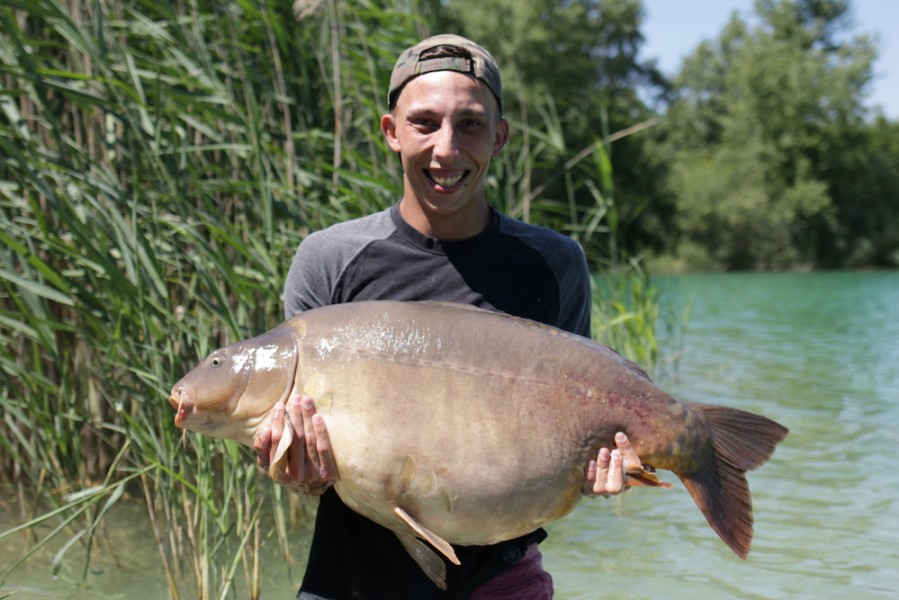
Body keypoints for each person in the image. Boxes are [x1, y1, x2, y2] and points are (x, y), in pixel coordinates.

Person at [254, 34, 645, 599]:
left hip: (502, 577)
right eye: (424, 123)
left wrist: (602, 467)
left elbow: (577, 427)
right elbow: (309, 459)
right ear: (390, 131)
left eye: (470, 124)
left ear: (500, 136)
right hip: (350, 579)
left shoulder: (555, 264)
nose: (446, 148)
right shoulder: (330, 260)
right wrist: (298, 472)